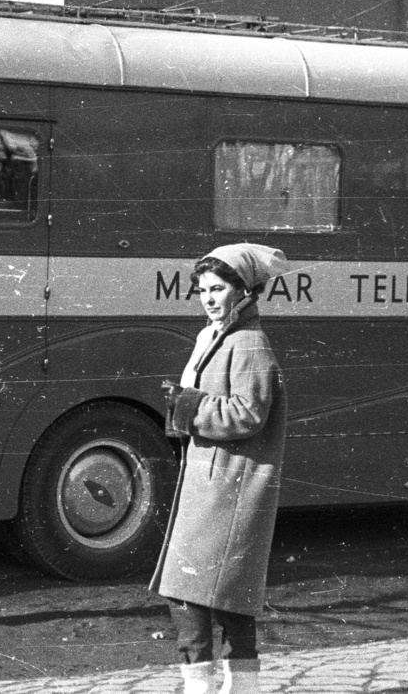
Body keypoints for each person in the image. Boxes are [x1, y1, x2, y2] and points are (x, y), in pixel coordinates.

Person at [151, 243, 288, 694]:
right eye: (202, 290)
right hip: (214, 483)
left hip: (230, 485)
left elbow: (249, 413)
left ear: (243, 291)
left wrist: (189, 406)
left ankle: (210, 687)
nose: (208, 298)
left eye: (218, 288)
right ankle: (224, 687)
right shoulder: (217, 336)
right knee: (213, 595)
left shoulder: (248, 343)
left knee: (202, 594)